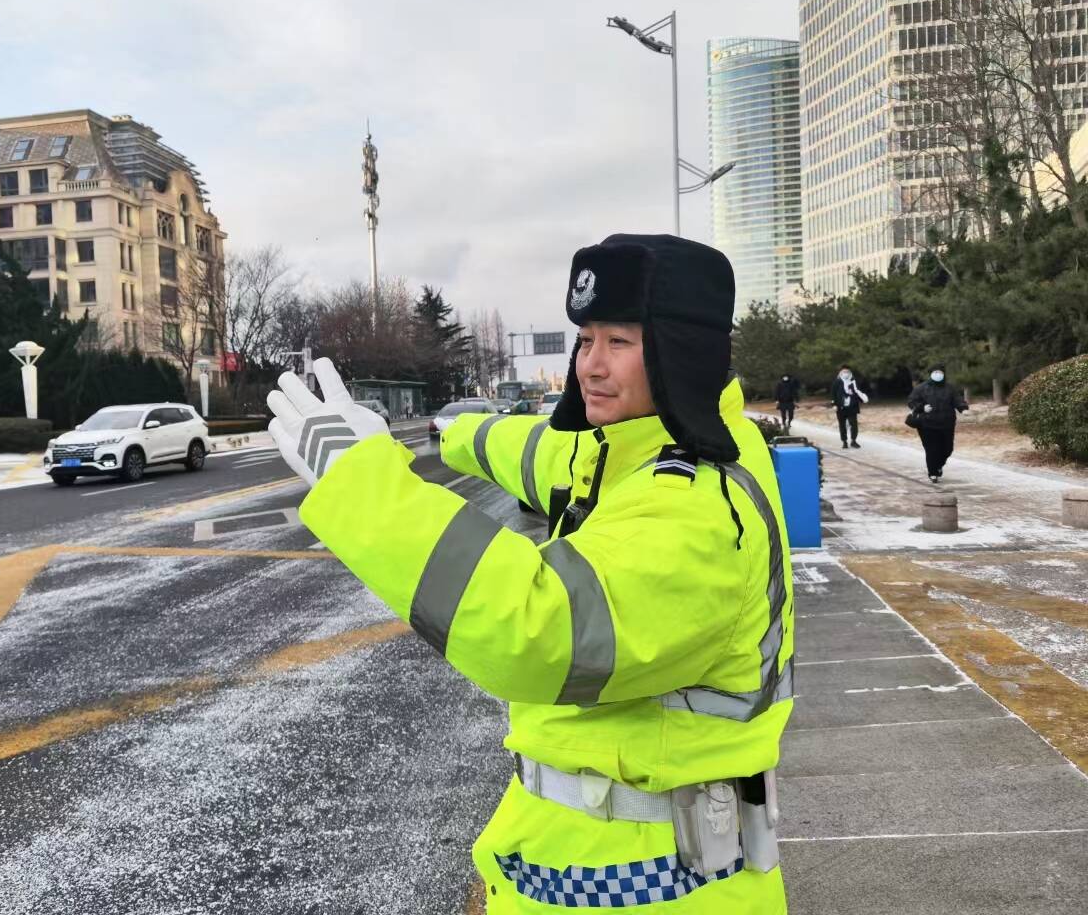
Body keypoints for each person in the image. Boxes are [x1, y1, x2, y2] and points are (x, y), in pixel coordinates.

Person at [267, 233, 794, 913]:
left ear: (681, 351)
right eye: (585, 339)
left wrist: (362, 485)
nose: (590, 367)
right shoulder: (631, 451)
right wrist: (438, 434)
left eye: (620, 343)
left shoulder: (697, 511)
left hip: (658, 888)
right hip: (589, 868)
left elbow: (538, 629)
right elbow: (534, 450)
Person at [908, 366, 968, 482]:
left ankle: (938, 465)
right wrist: (922, 408)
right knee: (931, 449)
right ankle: (933, 473)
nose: (938, 374)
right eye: (935, 372)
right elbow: (911, 401)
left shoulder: (950, 388)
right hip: (927, 424)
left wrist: (963, 408)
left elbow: (957, 399)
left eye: (940, 372)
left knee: (948, 449)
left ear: (944, 374)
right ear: (930, 374)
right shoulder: (921, 388)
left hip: (947, 423)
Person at [829, 365, 867, 448]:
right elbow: (833, 394)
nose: (846, 373)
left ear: (850, 373)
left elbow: (858, 392)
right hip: (841, 407)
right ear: (840, 373)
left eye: (847, 372)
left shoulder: (853, 382)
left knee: (853, 424)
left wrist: (862, 399)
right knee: (842, 425)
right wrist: (834, 404)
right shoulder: (837, 382)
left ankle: (853, 440)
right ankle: (844, 441)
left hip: (852, 407)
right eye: (844, 372)